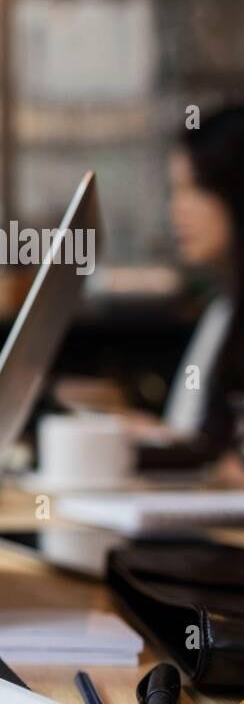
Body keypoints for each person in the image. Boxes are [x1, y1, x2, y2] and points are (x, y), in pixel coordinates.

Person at [136, 105, 244, 471]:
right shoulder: (223, 310)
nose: (176, 211)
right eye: (174, 191)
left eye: (194, 189)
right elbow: (203, 442)